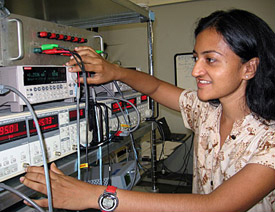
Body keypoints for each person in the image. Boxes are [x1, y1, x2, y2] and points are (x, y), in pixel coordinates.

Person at [20, 9, 275, 212]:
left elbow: (217, 206)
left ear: (249, 68)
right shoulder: (206, 111)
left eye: (210, 59)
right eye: (196, 57)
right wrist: (115, 71)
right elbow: (154, 88)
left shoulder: (270, 140)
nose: (196, 70)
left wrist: (92, 195)